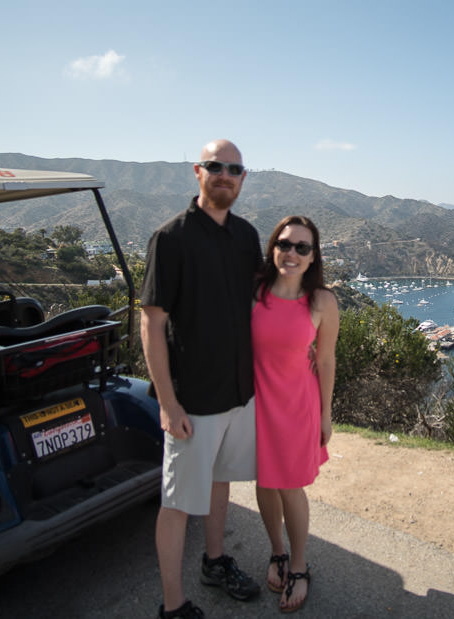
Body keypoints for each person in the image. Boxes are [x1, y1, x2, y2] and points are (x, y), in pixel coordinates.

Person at [140, 139, 263, 619]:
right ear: (198, 172)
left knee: (219, 483)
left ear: (243, 178)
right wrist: (169, 405)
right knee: (176, 503)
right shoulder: (170, 238)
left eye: (234, 168)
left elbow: (259, 303)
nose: (225, 174)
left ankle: (215, 562)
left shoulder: (247, 236)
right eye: (216, 166)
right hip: (191, 401)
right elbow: (151, 323)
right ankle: (173, 605)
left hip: (237, 393)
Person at [252, 215, 339, 613]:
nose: (292, 253)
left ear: (312, 256)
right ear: (273, 248)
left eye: (302, 247)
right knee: (265, 482)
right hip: (255, 404)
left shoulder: (322, 301)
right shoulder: (253, 292)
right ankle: (277, 552)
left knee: (289, 485)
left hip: (297, 405)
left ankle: (300, 566)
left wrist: (325, 414)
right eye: (285, 244)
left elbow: (325, 361)